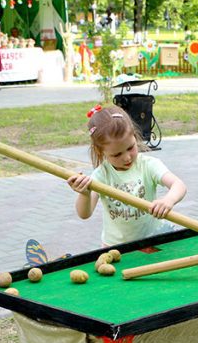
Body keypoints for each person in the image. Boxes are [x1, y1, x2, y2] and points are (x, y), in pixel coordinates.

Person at [67, 105, 187, 247]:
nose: (126, 158)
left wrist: (168, 200)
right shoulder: (101, 175)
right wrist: (85, 194)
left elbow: (178, 185)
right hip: (116, 247)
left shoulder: (148, 165)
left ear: (135, 137)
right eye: (117, 154)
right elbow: (84, 214)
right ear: (101, 152)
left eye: (130, 148)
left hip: (153, 241)